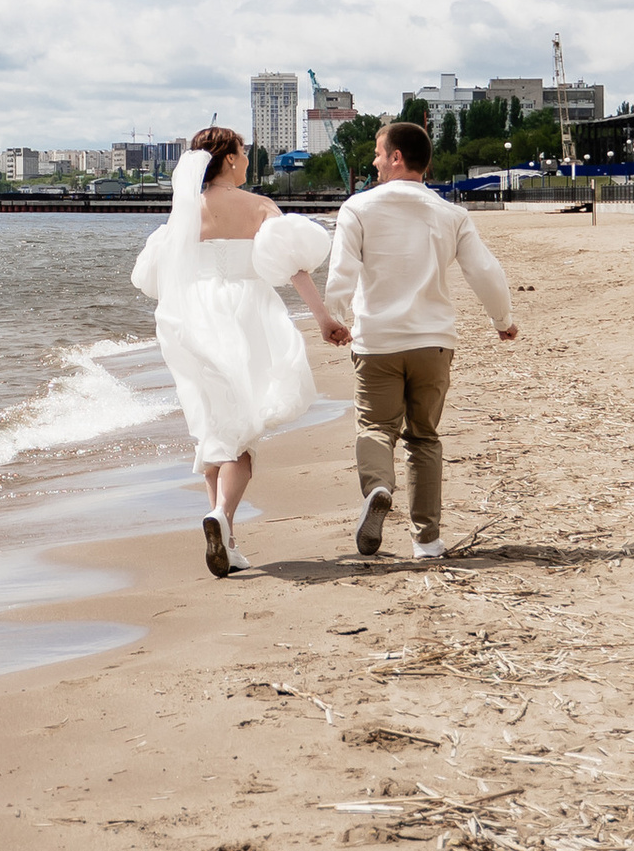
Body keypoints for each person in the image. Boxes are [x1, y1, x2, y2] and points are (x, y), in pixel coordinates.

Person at [132, 124, 349, 577]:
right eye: (243, 151)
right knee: (242, 432)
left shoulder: (184, 214)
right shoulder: (259, 207)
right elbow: (294, 269)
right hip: (245, 312)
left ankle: (226, 540)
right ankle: (221, 518)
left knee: (216, 423)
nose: (248, 158)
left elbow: (152, 280)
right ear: (229, 158)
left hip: (191, 316)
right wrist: (324, 319)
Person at [324, 120, 518, 566]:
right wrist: (502, 320)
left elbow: (342, 271)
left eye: (378, 152)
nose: (373, 161)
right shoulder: (450, 213)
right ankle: (427, 541)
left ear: (396, 157)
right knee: (424, 438)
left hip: (377, 342)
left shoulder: (358, 208)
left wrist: (334, 318)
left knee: (375, 429)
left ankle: (377, 486)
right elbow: (484, 271)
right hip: (433, 343)